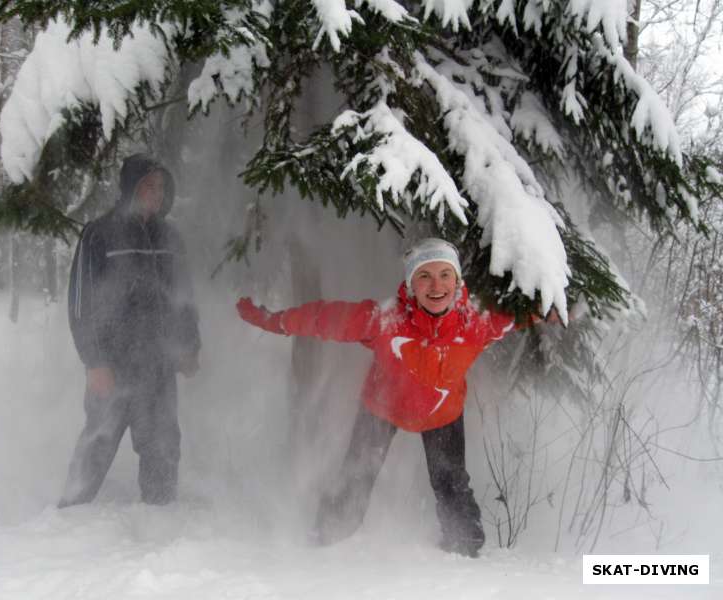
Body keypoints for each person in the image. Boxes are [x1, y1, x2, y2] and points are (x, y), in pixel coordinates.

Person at [236, 238, 554, 557]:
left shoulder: (475, 324)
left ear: (458, 282)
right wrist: (272, 320)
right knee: (358, 474)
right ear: (411, 284)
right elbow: (323, 318)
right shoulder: (385, 321)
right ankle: (327, 537)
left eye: (445, 275)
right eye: (424, 276)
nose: (436, 285)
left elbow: (518, 316)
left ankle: (465, 547)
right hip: (382, 407)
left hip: (442, 414)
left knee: (450, 480)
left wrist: (550, 310)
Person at [59, 154, 201, 508]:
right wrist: (95, 362)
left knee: (162, 441)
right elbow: (80, 303)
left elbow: (184, 297)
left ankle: (159, 515)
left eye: (161, 187)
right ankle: (69, 516)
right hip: (113, 361)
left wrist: (188, 345)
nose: (157, 193)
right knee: (99, 439)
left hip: (158, 362)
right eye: (149, 186)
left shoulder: (170, 237)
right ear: (130, 188)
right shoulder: (99, 234)